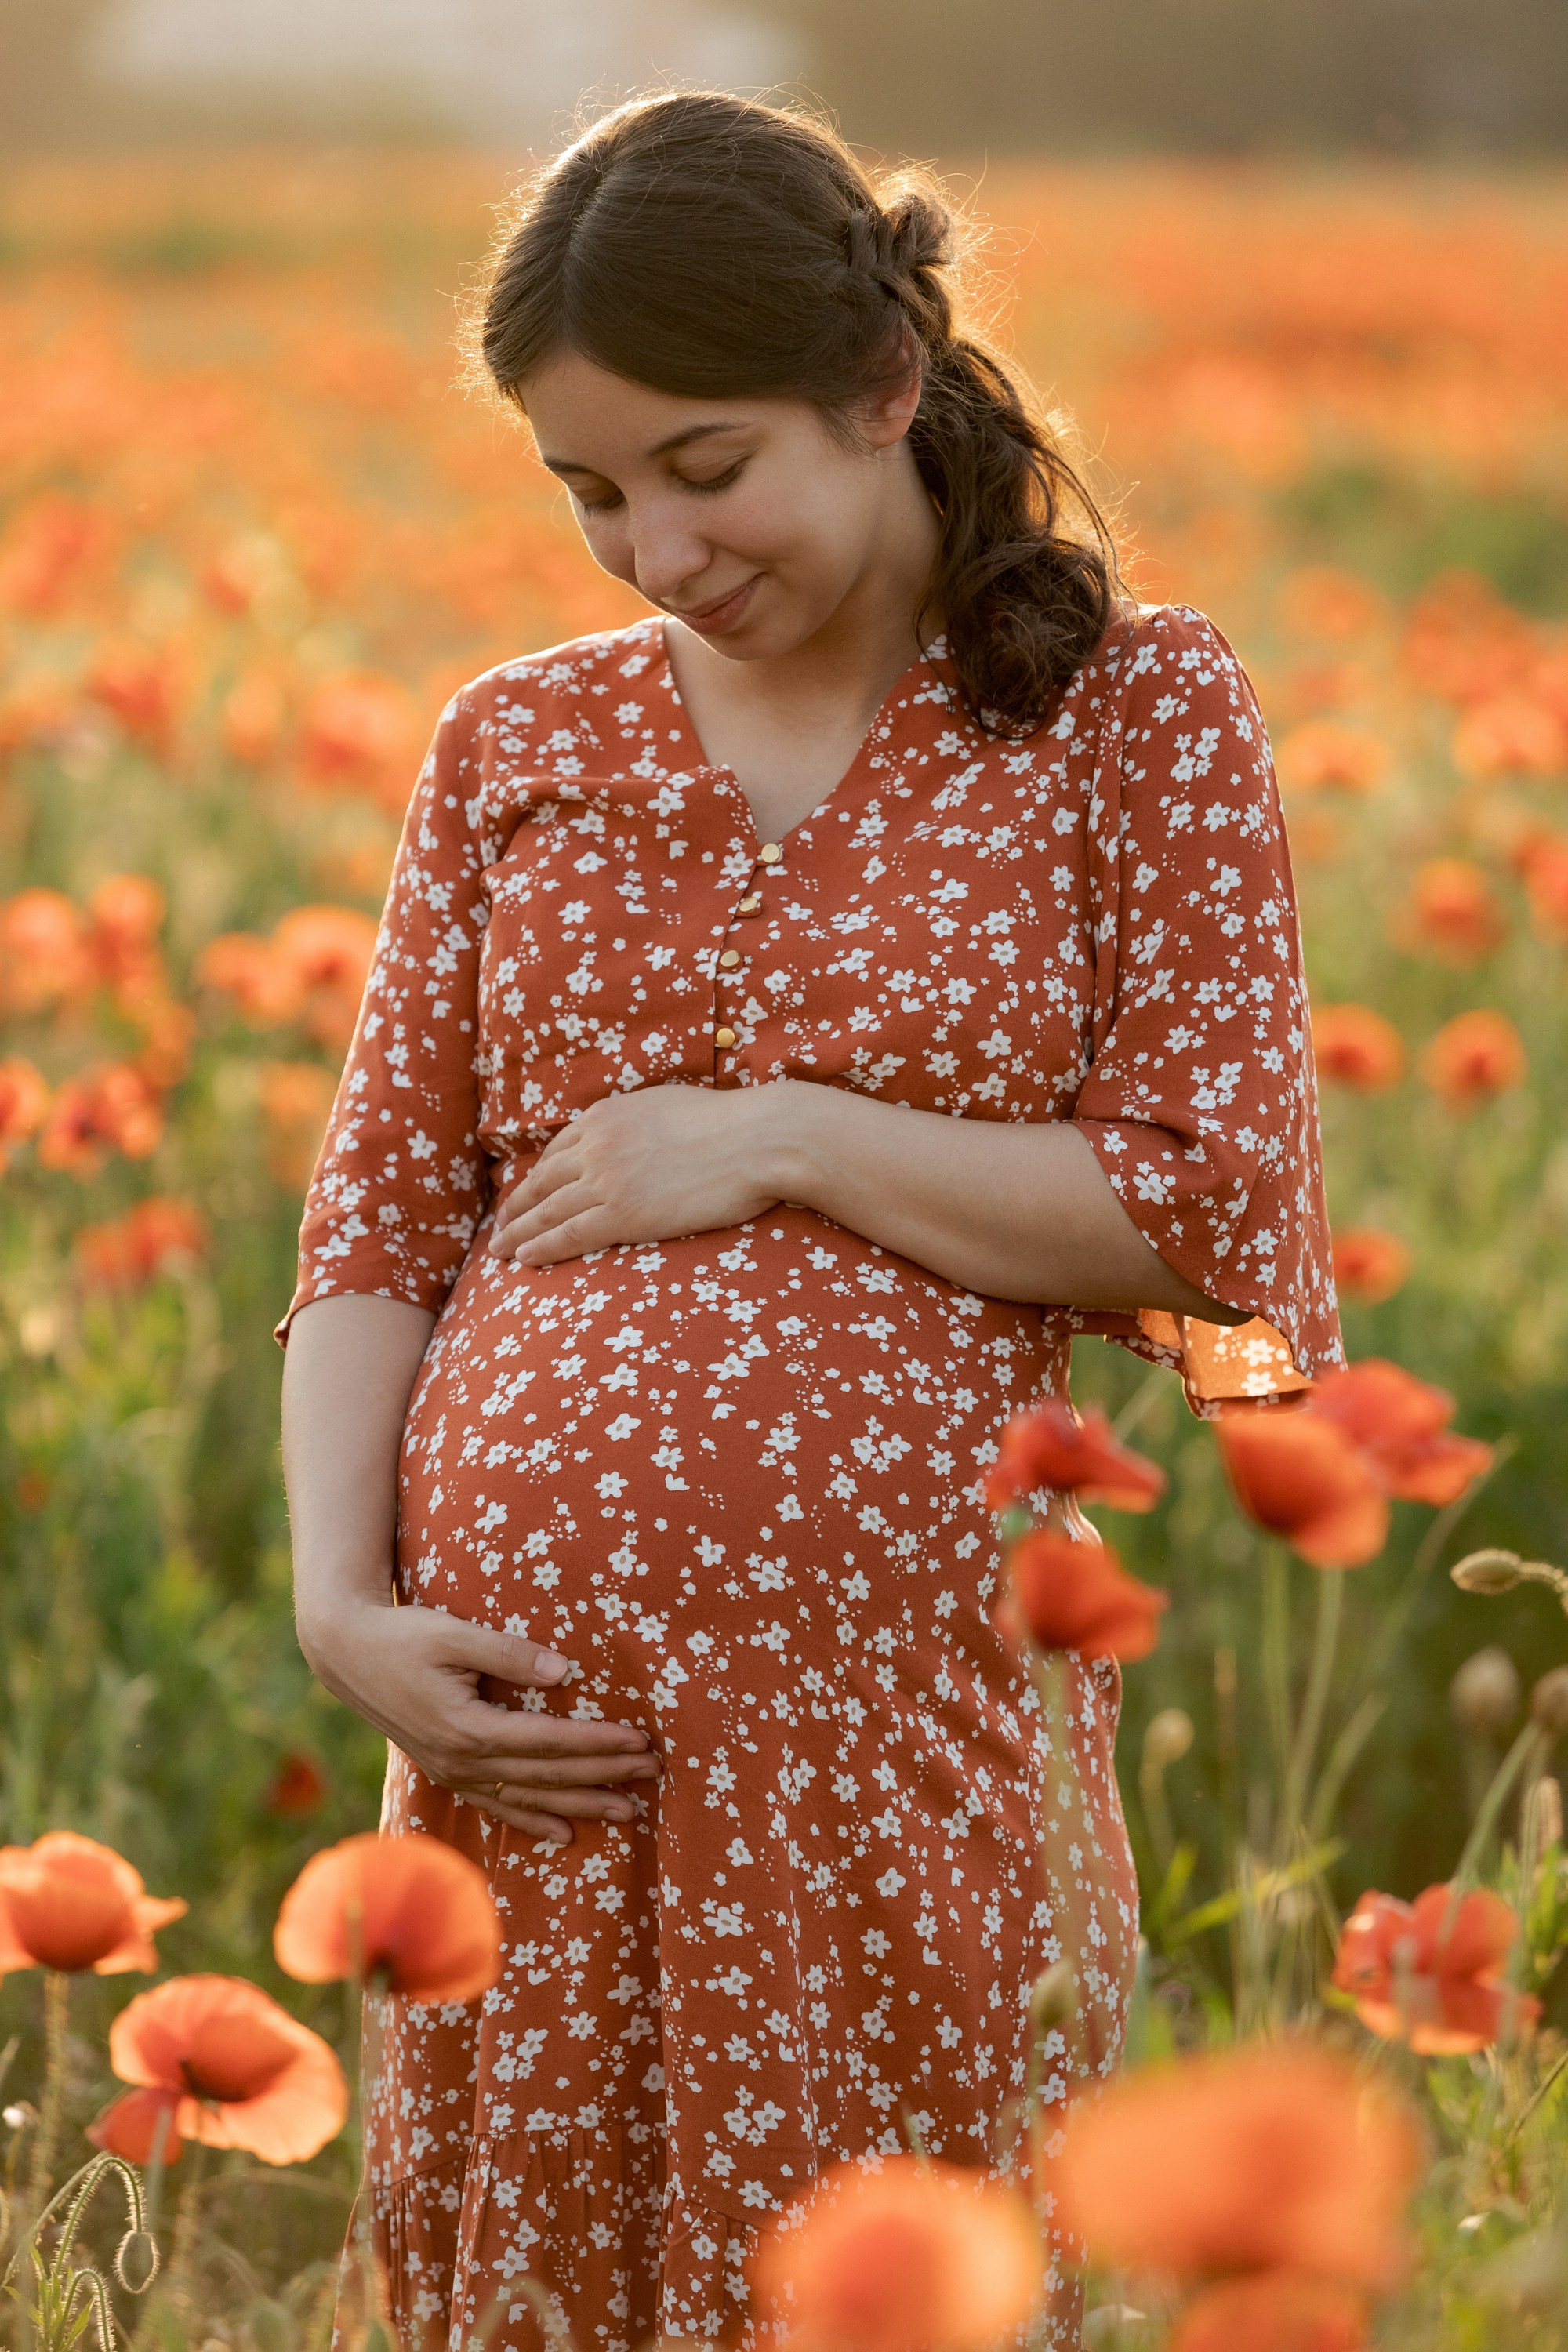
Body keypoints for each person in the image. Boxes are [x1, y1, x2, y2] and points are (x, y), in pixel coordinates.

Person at [279, 89, 1341, 2352]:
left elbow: (1208, 1198)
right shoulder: (511, 745)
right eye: (588, 492)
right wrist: (342, 1603)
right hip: (523, 1755)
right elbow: (375, 1226)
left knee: (881, 2273)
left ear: (881, 387)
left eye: (702, 465)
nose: (654, 553)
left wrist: (778, 1134)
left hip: (887, 1741)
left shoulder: (1129, 717)